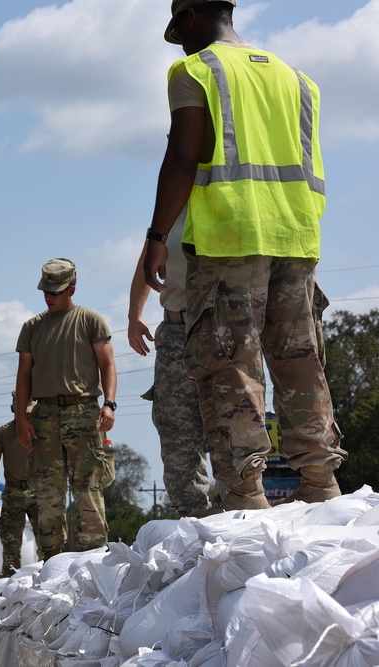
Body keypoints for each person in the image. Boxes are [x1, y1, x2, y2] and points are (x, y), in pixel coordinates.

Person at [141, 0, 347, 509]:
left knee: (231, 365)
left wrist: (157, 235)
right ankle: (321, 483)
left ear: (189, 17)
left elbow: (184, 155)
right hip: (297, 237)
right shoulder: (298, 79)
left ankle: (245, 492)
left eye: (179, 31)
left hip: (232, 238)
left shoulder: (195, 70)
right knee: (301, 363)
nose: (181, 43)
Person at [14, 258, 117, 560]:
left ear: (72, 288)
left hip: (84, 412)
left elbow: (108, 364)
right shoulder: (32, 328)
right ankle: (51, 562)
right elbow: (23, 375)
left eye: (56, 291)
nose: (49, 296)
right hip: (44, 416)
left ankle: (93, 559)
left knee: (88, 490)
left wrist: (109, 404)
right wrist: (21, 418)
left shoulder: (90, 321)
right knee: (47, 494)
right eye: (46, 290)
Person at [129, 210, 211, 516]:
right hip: (176, 330)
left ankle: (242, 506)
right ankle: (192, 516)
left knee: (232, 422)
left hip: (223, 328)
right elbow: (146, 261)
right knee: (177, 428)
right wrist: (134, 316)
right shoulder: (171, 212)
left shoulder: (233, 191)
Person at [0, 393, 42, 576]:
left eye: (28, 412)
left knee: (48, 541)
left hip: (39, 491)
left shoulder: (42, 430)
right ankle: (10, 582)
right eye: (21, 412)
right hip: (13, 492)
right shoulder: (3, 433)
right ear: (13, 410)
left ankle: (50, 579)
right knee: (11, 543)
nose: (26, 416)